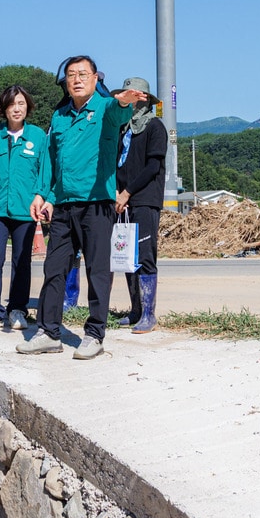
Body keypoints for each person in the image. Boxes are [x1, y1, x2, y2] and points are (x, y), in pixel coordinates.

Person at [17, 55, 149, 359]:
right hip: (63, 205)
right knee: (54, 269)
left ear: (94, 79)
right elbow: (51, 159)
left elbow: (118, 113)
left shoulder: (104, 107)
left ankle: (94, 334)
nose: (76, 79)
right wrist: (42, 194)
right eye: (71, 74)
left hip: (97, 204)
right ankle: (49, 332)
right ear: (65, 81)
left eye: (83, 74)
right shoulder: (59, 116)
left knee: (97, 270)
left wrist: (124, 101)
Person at [0, 85, 50, 331]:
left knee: (22, 260)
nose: (16, 109)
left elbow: (44, 172)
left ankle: (17, 309)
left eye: (21, 104)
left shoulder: (38, 137)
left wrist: (40, 196)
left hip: (25, 209)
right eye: (12, 104)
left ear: (27, 107)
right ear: (4, 108)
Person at [112, 76, 165, 333]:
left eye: (133, 96)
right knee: (126, 256)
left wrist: (128, 192)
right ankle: (135, 310)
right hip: (122, 200)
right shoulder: (123, 129)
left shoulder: (155, 127)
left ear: (143, 99)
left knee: (145, 256)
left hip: (144, 199)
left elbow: (152, 166)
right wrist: (116, 191)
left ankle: (148, 313)